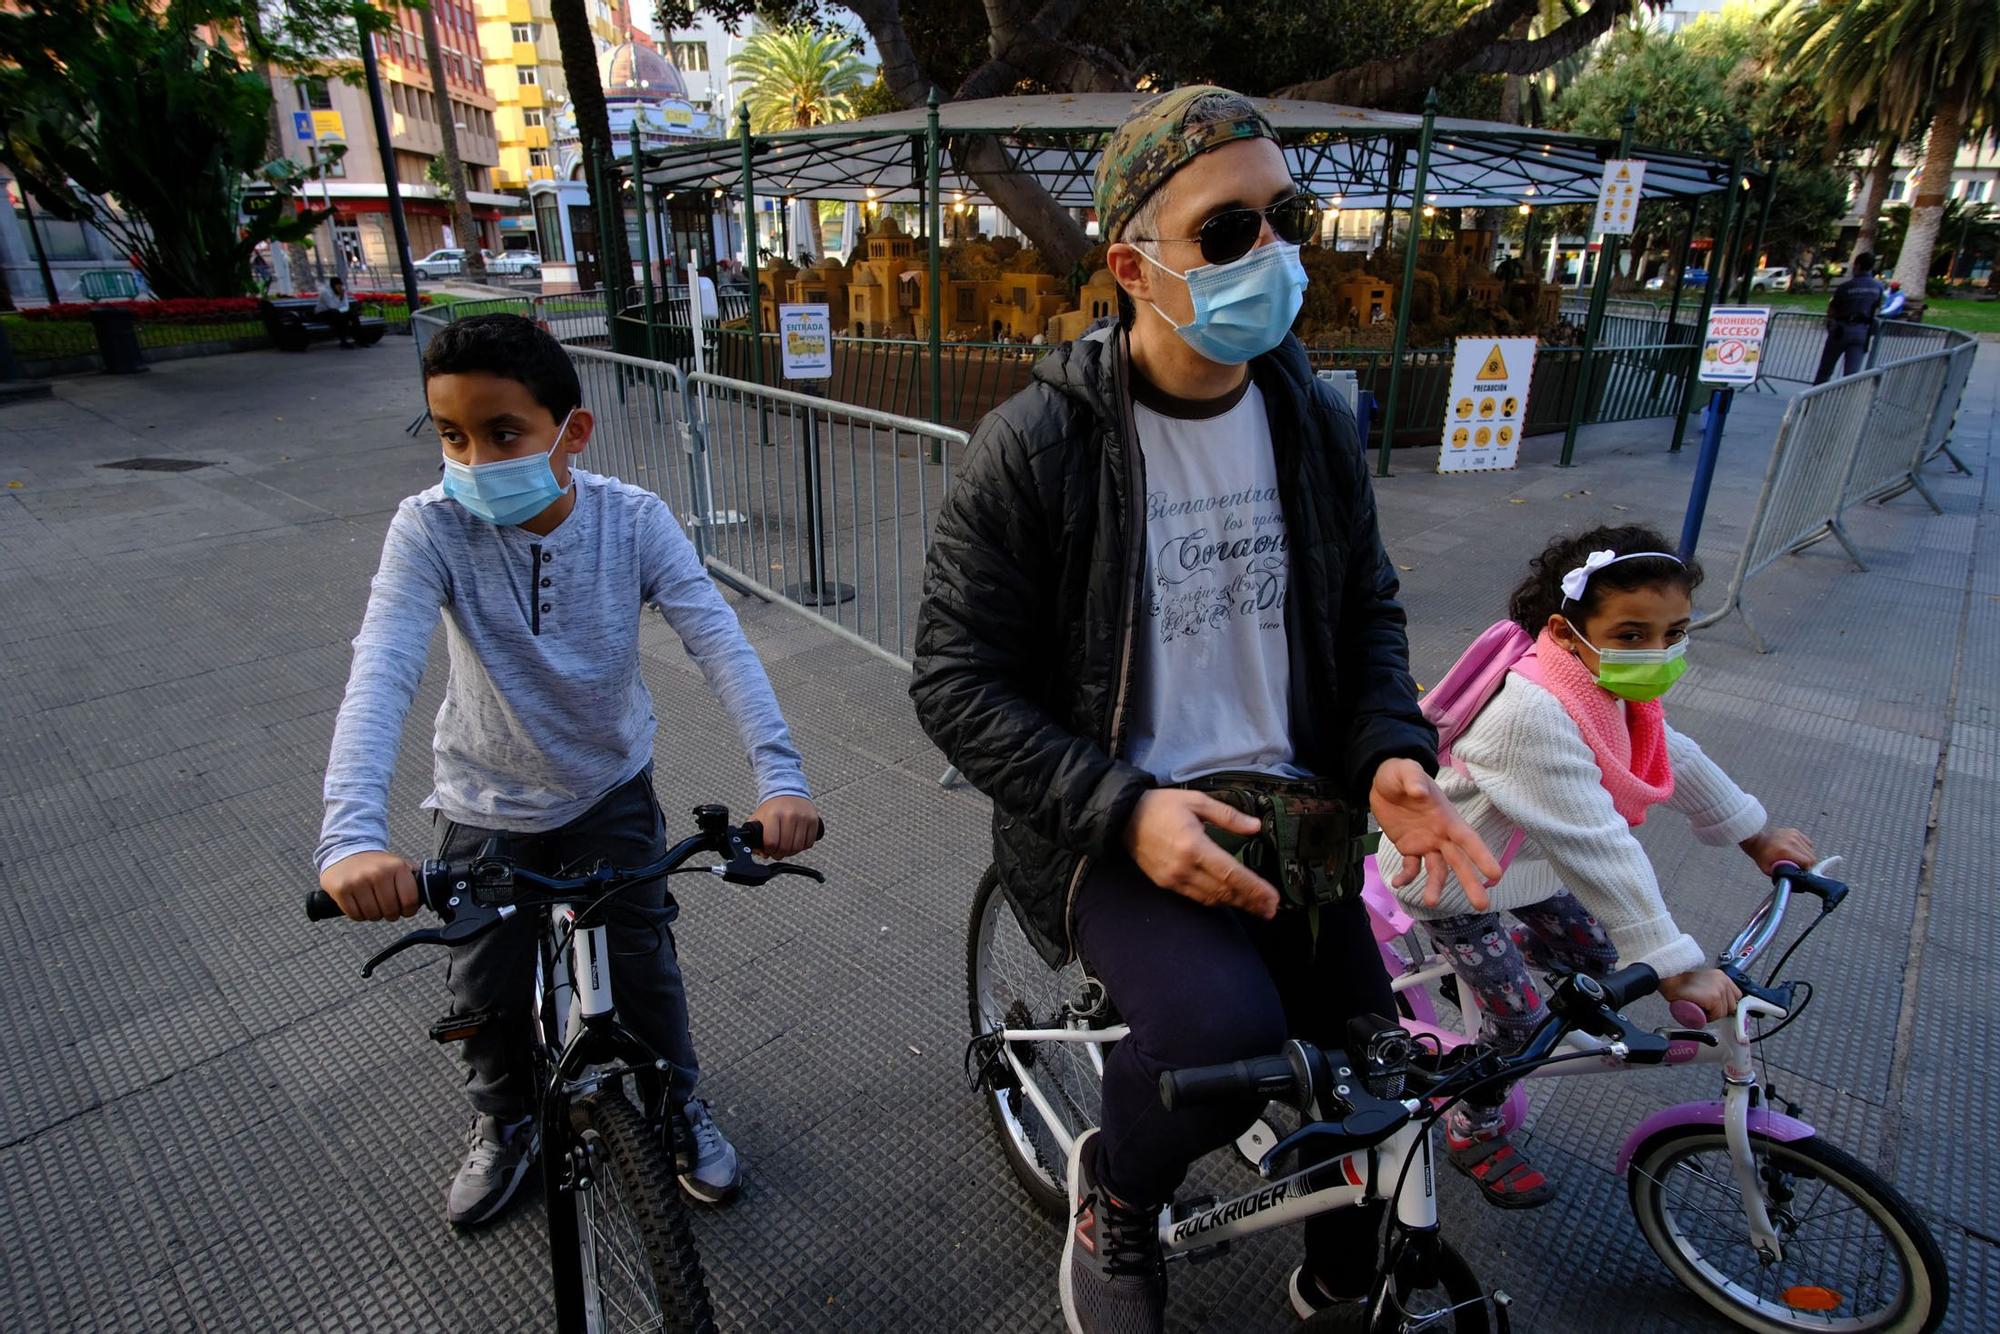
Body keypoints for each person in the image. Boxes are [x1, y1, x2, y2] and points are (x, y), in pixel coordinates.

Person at [910, 87, 1497, 1332]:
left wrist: (1390, 749)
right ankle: (1113, 1196)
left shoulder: (1313, 420)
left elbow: (1367, 611)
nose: (1274, 254)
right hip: (1124, 820)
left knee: (1369, 1065)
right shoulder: (1036, 446)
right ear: (1133, 265)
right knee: (1212, 1046)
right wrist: (1122, 812)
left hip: (1300, 809)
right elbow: (954, 681)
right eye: (1227, 233)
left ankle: (1339, 1271)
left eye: (1287, 217)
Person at [314, 314, 822, 1227]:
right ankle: (504, 1121)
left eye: (503, 433)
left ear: (571, 432)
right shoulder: (427, 528)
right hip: (484, 802)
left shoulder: (633, 520)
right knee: (486, 989)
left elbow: (722, 644)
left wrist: (780, 778)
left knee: (645, 963)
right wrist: (350, 835)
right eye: (451, 436)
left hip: (609, 790)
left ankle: (676, 1103)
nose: (472, 460)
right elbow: (380, 669)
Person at [1378, 525, 1814, 1208]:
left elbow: (1673, 752)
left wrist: (1755, 835)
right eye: (1634, 634)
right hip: (1455, 885)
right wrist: (1674, 960)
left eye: (1675, 633)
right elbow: (1595, 841)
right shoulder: (1528, 713)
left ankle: (1507, 962)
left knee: (1600, 954)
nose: (1659, 653)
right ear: (1565, 628)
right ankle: (1473, 1126)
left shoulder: (1593, 679)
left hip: (1526, 869)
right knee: (1519, 1028)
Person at [1813, 251, 1887, 383]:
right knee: (1851, 375)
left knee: (1826, 369)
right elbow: (1877, 308)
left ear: (1857, 266)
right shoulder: (1878, 287)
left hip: (1840, 329)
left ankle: (1814, 401)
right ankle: (1845, 401)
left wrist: (1831, 324)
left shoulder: (1846, 287)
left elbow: (1832, 309)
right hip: (1862, 331)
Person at [314, 276, 364, 348]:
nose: (340, 287)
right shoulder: (325, 292)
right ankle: (343, 342)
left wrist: (342, 302)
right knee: (340, 317)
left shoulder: (342, 291)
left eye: (341, 285)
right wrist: (340, 297)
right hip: (323, 313)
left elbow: (346, 306)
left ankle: (360, 340)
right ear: (333, 286)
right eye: (338, 286)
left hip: (337, 312)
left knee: (353, 315)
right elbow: (332, 306)